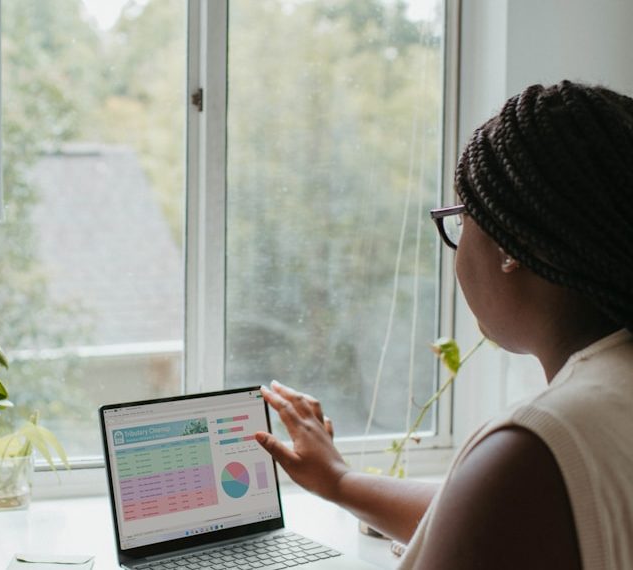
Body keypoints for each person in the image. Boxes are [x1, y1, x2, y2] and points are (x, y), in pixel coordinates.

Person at [255, 81, 633, 570]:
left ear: (510, 247)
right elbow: (498, 520)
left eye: (461, 218)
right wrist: (339, 481)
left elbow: (505, 504)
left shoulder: (534, 448)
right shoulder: (599, 413)